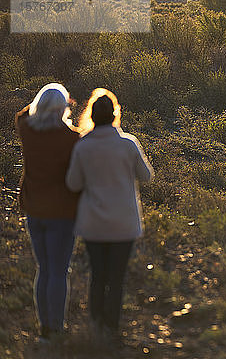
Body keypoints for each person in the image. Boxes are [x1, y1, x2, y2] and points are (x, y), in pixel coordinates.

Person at [66, 88, 153, 341]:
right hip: (124, 225)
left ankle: (95, 326)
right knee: (116, 279)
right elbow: (147, 177)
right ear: (115, 114)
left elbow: (72, 184)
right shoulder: (128, 143)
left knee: (97, 276)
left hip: (93, 223)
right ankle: (111, 329)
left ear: (91, 115)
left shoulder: (83, 146)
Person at [15, 83, 80, 342]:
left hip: (34, 210)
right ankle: (56, 327)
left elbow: (22, 113)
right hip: (62, 213)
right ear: (62, 108)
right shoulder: (71, 138)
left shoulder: (27, 130)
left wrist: (43, 103)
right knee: (58, 271)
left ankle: (44, 326)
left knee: (43, 269)